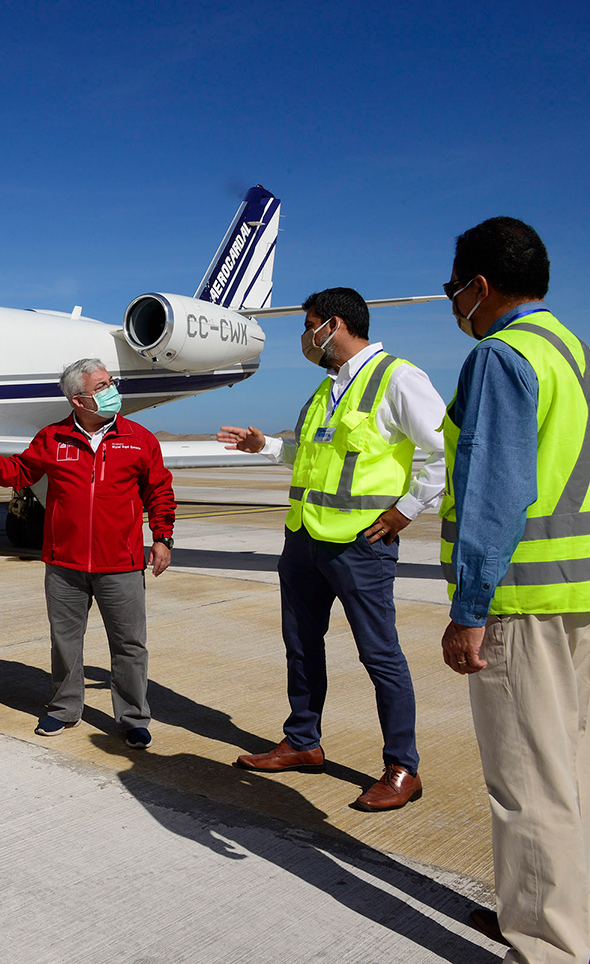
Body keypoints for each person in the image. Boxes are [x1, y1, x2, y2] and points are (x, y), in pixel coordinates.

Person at [439, 217, 590, 964]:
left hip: (526, 600)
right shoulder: (583, 356)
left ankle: (545, 948)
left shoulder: (500, 357)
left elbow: (494, 493)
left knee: (526, 785)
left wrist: (468, 609)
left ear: (480, 287)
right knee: (566, 773)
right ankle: (538, 912)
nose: (455, 306)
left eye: (455, 291)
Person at [217, 287, 445, 811]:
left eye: (308, 325)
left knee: (379, 654)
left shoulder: (398, 379)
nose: (304, 337)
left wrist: (406, 509)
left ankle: (402, 767)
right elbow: (310, 456)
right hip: (304, 538)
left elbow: (442, 451)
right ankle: (303, 742)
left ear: (333, 325)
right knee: (300, 642)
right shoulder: (325, 390)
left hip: (361, 545)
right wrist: (266, 446)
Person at [0, 358, 175, 749]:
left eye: (110, 382)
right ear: (78, 400)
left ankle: (133, 717)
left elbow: (160, 491)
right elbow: (17, 472)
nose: (111, 390)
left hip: (119, 565)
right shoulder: (53, 439)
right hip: (64, 565)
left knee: (129, 645)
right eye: (101, 386)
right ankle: (65, 709)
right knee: (66, 642)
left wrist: (162, 538)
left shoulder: (139, 439)